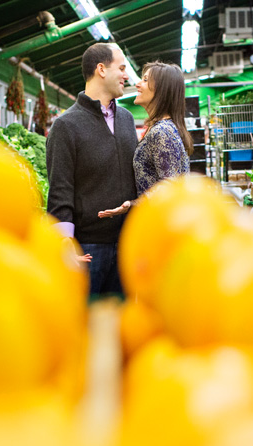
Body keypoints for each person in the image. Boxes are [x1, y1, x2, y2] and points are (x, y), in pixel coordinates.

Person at [46, 43, 137, 297]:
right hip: (87, 250)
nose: (126, 75)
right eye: (121, 68)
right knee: (86, 328)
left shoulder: (127, 120)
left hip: (127, 246)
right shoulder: (66, 126)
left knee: (122, 328)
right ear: (101, 69)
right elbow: (60, 188)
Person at [98, 61, 192, 221]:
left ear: (161, 90)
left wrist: (133, 204)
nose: (138, 84)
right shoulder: (163, 128)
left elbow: (170, 186)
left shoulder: (162, 131)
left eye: (146, 80)